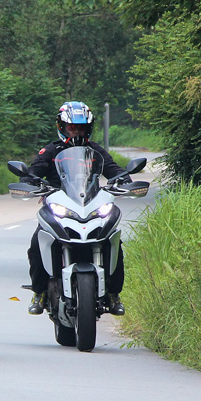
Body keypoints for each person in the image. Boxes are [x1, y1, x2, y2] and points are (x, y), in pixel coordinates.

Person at [20, 101, 128, 316]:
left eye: (81, 128)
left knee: (113, 242)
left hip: (91, 206)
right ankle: (39, 292)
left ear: (88, 129)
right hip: (59, 205)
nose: (77, 132)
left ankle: (114, 294)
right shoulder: (51, 150)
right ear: (61, 127)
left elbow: (113, 168)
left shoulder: (95, 150)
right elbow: (33, 171)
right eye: (72, 127)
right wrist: (30, 181)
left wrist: (124, 179)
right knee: (37, 243)